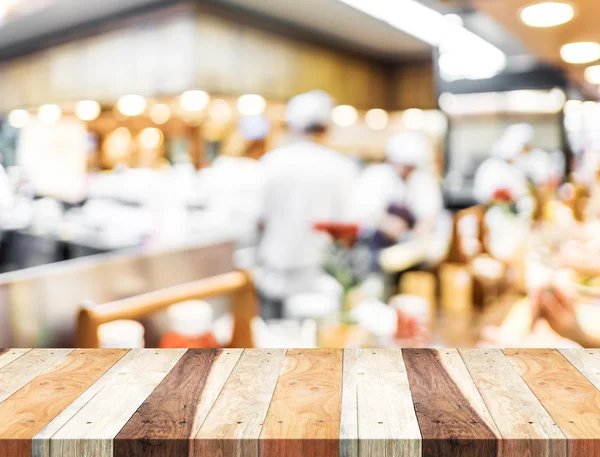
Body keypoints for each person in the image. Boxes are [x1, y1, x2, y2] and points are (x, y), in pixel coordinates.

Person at [255, 90, 359, 319]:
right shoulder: (340, 167)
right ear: (327, 127)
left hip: (271, 276)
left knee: (272, 348)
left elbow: (258, 220)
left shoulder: (270, 163)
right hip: (319, 281)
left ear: (291, 126)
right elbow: (347, 229)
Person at [359, 130, 443, 260]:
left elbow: (428, 216)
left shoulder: (423, 180)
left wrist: (419, 236)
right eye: (402, 164)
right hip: (374, 246)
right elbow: (369, 210)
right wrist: (388, 223)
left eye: (409, 166)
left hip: (410, 251)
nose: (405, 169)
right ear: (390, 159)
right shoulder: (374, 177)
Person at [473, 123, 534, 209]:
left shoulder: (518, 170)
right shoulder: (491, 167)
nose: (526, 154)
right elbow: (483, 197)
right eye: (524, 149)